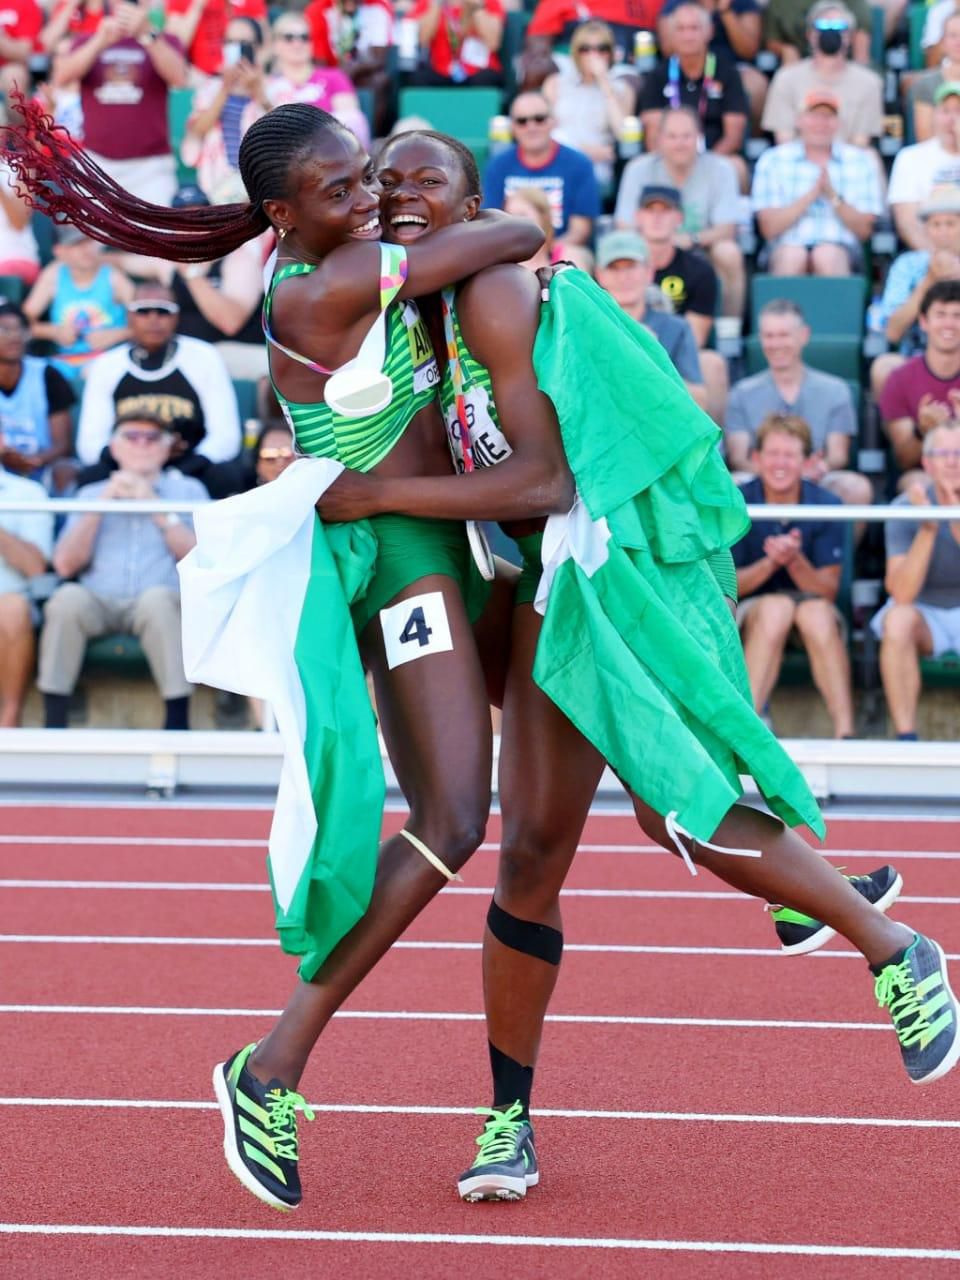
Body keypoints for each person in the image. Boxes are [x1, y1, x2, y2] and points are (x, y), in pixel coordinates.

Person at [342, 129, 954, 1200]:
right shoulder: (421, 316)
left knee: (668, 804)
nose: (399, 196)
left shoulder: (487, 289)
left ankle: (894, 946)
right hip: (548, 584)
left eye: (425, 181)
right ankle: (508, 1122)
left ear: (474, 203)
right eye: (384, 181)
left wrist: (381, 498)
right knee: (534, 845)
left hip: (606, 567)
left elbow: (538, 482)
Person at [2, 98, 548, 1210]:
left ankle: (280, 1061)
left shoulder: (341, 261)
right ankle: (273, 1061)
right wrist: (420, 226)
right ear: (282, 215)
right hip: (402, 560)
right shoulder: (322, 285)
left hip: (434, 542)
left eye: (369, 180)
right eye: (345, 189)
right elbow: (515, 236)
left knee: (475, 811)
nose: (369, 201)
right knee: (451, 818)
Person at [39, 412, 206, 730]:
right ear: (114, 448)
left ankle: (177, 720)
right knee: (66, 599)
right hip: (99, 600)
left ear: (166, 448)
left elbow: (202, 559)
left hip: (161, 600)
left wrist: (154, 504)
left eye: (152, 437)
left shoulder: (189, 492)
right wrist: (102, 503)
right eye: (131, 436)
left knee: (157, 601)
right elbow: (64, 564)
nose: (142, 444)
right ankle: (54, 720)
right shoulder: (91, 493)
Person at [731, 413, 854, 739]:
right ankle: (748, 735)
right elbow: (731, 586)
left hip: (811, 605)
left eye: (789, 455)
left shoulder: (827, 503)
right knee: (776, 608)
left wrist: (795, 561)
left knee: (815, 613)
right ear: (756, 459)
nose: (780, 463)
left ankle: (846, 733)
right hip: (754, 609)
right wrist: (770, 564)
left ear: (809, 461)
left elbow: (827, 590)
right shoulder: (737, 502)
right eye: (772, 454)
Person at [75, 282, 242, 487]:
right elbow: (90, 444)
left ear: (176, 317)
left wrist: (180, 471)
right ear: (129, 317)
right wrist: (137, 460)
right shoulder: (107, 364)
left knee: (227, 476)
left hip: (190, 465)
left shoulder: (203, 356)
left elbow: (225, 436)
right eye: (143, 311)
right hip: (124, 464)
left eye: (163, 311)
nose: (153, 319)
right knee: (89, 477)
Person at [725, 299, 869, 505]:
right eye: (768, 336)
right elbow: (739, 458)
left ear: (803, 336)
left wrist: (814, 469)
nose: (775, 344)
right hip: (761, 477)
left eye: (783, 335)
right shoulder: (741, 392)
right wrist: (777, 474)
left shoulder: (835, 390)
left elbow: (838, 455)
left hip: (816, 476)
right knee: (731, 484)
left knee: (855, 487)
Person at [53, 0, 189, 207]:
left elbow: (179, 78)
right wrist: (100, 41)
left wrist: (148, 34)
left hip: (151, 167)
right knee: (89, 238)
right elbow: (62, 77)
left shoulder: (165, 40)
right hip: (98, 165)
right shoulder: (86, 41)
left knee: (158, 237)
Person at [614, 105, 745, 322]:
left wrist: (689, 240)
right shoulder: (638, 169)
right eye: (672, 136)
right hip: (648, 248)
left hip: (699, 249)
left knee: (729, 252)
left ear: (699, 138)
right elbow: (624, 225)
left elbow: (726, 229)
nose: (680, 143)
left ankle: (728, 329)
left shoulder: (721, 169)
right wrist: (659, 242)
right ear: (659, 139)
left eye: (687, 136)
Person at [872, 422, 960, 740]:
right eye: (944, 453)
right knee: (897, 620)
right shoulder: (905, 509)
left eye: (959, 453)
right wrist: (929, 529)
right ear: (927, 463)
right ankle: (906, 738)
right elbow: (902, 594)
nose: (953, 462)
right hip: (928, 613)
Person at [752, 88, 883, 277]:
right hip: (784, 246)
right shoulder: (773, 160)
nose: (821, 123)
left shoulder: (860, 161)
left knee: (827, 256)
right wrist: (810, 195)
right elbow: (769, 229)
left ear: (838, 123)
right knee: (792, 256)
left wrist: (833, 196)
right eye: (814, 116)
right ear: (799, 120)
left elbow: (864, 230)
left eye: (828, 117)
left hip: (841, 249)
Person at [594, 227, 708, 411]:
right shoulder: (589, 329)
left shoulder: (675, 328)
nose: (624, 277)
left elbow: (700, 402)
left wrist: (651, 362)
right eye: (613, 268)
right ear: (600, 275)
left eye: (631, 267)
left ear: (649, 272)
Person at [638, 1, 748, 185]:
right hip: (669, 159)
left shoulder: (727, 72)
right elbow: (653, 136)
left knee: (737, 168)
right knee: (640, 168)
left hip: (714, 157)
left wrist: (703, 166)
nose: (688, 36)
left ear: (709, 31)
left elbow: (733, 136)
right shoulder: (657, 75)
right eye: (681, 29)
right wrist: (676, 165)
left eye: (694, 28)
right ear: (671, 35)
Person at [871, 185, 960, 407]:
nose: (943, 233)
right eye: (936, 225)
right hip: (916, 359)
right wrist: (928, 281)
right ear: (927, 230)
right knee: (884, 367)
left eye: (951, 224)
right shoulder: (907, 265)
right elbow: (892, 331)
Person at [483, 91, 601, 247]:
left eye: (539, 119)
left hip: (561, 254)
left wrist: (545, 257)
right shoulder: (498, 166)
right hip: (510, 254)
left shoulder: (579, 164)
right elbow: (490, 226)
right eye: (522, 121)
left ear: (553, 122)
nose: (531, 127)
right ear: (512, 127)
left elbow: (579, 231)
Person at [761, 1, 882, 148]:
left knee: (871, 159)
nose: (830, 32)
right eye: (822, 26)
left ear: (850, 36)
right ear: (810, 35)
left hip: (848, 162)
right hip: (797, 162)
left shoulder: (869, 82)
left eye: (839, 27)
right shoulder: (785, 79)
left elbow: (860, 142)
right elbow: (785, 141)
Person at [879, 280, 960, 490]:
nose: (949, 324)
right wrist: (922, 431)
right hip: (924, 474)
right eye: (940, 315)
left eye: (957, 316)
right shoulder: (900, 379)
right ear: (924, 322)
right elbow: (904, 461)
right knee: (916, 483)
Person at [23, 223, 133, 377]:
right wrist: (53, 331)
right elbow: (22, 322)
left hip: (108, 359)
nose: (86, 249)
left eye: (89, 240)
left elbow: (143, 322)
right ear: (59, 251)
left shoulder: (113, 277)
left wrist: (117, 334)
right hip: (64, 363)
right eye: (76, 244)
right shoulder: (54, 275)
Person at [180, 16, 269, 203]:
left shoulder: (276, 87)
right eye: (230, 42)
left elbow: (286, 134)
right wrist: (225, 89)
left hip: (262, 187)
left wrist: (259, 93)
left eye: (244, 42)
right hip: (216, 187)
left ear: (259, 48)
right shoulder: (211, 87)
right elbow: (197, 131)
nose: (236, 49)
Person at [540, 20, 634, 188]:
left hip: (597, 167)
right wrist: (583, 150)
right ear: (576, 53)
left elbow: (622, 133)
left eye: (601, 49)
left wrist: (604, 82)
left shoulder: (622, 89)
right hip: (559, 157)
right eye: (586, 49)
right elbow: (546, 130)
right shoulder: (556, 83)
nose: (593, 55)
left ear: (610, 53)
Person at [0, 301, 76, 490]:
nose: (14, 337)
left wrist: (34, 461)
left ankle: (62, 520)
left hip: (43, 465)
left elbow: (62, 445)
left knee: (65, 469)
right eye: (4, 330)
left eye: (20, 330)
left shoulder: (48, 374)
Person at [265, 10, 369, 147]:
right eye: (289, 37)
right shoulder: (264, 83)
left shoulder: (334, 77)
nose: (298, 43)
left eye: (304, 37)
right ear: (274, 45)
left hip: (329, 154)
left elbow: (352, 124)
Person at [0, 455, 52, 726]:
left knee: (12, 608)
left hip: (8, 604)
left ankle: (8, 725)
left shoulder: (28, 493)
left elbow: (35, 568)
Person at [657, 0, 764, 127]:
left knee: (756, 84)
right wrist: (693, 21)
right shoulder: (675, 4)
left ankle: (755, 141)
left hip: (733, 68)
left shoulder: (743, 3)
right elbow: (668, 50)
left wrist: (725, 11)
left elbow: (749, 50)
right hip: (685, 67)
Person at [887, 82, 960, 253]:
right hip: (928, 255)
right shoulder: (910, 157)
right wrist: (940, 260)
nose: (952, 119)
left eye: (959, 111)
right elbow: (907, 223)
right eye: (945, 111)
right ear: (934, 115)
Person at [304, 0, 392, 135]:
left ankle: (370, 136)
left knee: (381, 80)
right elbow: (319, 61)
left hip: (363, 72)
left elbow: (379, 60)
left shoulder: (377, 9)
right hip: (329, 71)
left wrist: (354, 70)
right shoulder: (318, 10)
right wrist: (338, 75)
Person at [408, 0, 505, 88]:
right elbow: (423, 40)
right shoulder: (427, 2)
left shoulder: (490, 2)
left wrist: (476, 6)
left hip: (479, 71)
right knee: (417, 78)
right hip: (441, 70)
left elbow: (493, 43)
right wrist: (436, 4)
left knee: (484, 80)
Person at [164, 0, 268, 78]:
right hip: (198, 77)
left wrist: (251, 73)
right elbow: (175, 46)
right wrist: (197, 6)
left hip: (240, 78)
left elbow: (265, 45)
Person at [763, 0, 872, 66]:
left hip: (843, 60)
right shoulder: (780, 3)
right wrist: (786, 49)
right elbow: (772, 38)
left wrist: (859, 70)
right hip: (802, 61)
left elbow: (861, 33)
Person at [911, 11, 960, 143]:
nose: (958, 42)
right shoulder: (926, 84)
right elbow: (924, 137)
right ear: (942, 43)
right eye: (953, 35)